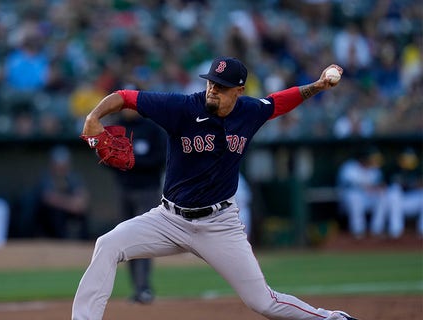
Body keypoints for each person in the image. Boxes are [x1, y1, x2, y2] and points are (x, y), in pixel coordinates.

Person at [73, 57, 357, 320]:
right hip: (168, 219)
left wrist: (318, 86)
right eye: (211, 83)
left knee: (263, 302)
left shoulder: (250, 111)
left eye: (221, 87)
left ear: (239, 90)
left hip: (219, 225)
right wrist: (93, 118)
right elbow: (124, 97)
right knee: (108, 244)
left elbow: (279, 102)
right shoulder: (181, 108)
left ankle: (332, 318)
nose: (213, 90)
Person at [114, 108, 167, 304]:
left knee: (142, 239)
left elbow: (162, 158)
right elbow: (104, 158)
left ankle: (143, 287)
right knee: (126, 240)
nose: (128, 111)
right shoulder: (117, 128)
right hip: (124, 190)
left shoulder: (151, 128)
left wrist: (132, 162)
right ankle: (137, 288)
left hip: (147, 191)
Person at [36, 145, 90, 240]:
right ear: (53, 165)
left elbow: (82, 200)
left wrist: (76, 204)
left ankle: (82, 241)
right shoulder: (47, 178)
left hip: (69, 212)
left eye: (64, 165)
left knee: (83, 214)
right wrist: (71, 204)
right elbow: (49, 198)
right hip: (51, 217)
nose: (61, 169)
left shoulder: (73, 177)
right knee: (53, 212)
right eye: (58, 165)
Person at [336, 147, 388, 239]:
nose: (373, 161)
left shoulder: (375, 170)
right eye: (371, 159)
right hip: (349, 201)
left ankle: (376, 230)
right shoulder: (349, 167)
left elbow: (379, 185)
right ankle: (358, 231)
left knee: (382, 195)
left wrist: (378, 187)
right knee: (354, 197)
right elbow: (349, 186)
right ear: (363, 158)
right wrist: (367, 187)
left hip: (368, 199)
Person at [384, 148, 423, 238]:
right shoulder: (392, 169)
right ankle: (395, 231)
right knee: (394, 191)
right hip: (394, 203)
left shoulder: (418, 170)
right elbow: (383, 186)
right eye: (406, 158)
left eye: (410, 158)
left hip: (413, 201)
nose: (408, 161)